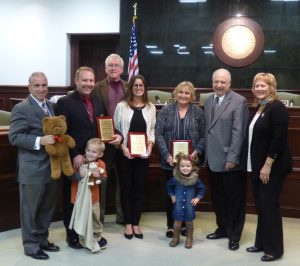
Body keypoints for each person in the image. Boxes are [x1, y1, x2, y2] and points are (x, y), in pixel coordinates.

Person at [55, 66, 122, 249]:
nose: (88, 84)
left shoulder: (97, 99)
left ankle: (89, 233)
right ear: (76, 81)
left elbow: (104, 123)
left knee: (91, 198)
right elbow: (62, 134)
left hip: (94, 158)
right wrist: (75, 154)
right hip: (75, 160)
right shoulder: (64, 102)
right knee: (73, 199)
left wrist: (116, 135)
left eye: (91, 80)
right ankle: (73, 236)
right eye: (84, 80)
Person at [9, 72, 60, 260]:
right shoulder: (22, 108)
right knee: (30, 210)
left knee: (46, 207)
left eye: (44, 85)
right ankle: (30, 246)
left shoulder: (51, 106)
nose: (41, 89)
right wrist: (40, 140)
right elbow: (14, 137)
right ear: (29, 87)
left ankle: (42, 240)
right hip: (32, 168)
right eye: (37, 85)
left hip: (51, 167)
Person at [245, 73, 292, 262]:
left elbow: (278, 140)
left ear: (272, 87)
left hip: (272, 168)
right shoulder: (260, 107)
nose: (259, 89)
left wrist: (267, 164)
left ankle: (274, 249)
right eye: (256, 85)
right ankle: (261, 243)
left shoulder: (277, 108)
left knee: (269, 207)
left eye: (263, 85)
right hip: (257, 166)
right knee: (261, 206)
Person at [204, 68, 248, 251]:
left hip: (230, 162)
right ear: (212, 82)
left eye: (223, 82)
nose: (219, 85)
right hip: (212, 160)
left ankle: (234, 235)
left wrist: (233, 157)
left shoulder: (239, 102)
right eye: (216, 82)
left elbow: (239, 132)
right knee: (218, 199)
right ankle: (222, 228)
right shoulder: (208, 101)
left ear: (229, 83)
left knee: (234, 200)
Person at [155, 81, 205, 238]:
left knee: (189, 194)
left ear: (192, 96)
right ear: (175, 94)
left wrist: (197, 151)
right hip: (169, 162)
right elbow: (158, 134)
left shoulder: (198, 112)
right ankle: (171, 225)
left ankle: (185, 224)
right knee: (172, 194)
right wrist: (166, 155)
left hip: (190, 163)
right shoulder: (166, 110)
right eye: (181, 92)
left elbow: (204, 135)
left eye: (187, 93)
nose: (183, 95)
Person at [114, 74, 156, 239]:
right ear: (130, 87)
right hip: (125, 155)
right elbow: (117, 131)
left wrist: (150, 145)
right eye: (135, 85)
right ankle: (128, 223)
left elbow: (152, 129)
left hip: (143, 156)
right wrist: (123, 148)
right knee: (126, 189)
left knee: (139, 188)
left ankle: (136, 223)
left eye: (141, 85)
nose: (139, 88)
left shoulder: (151, 107)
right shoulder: (121, 106)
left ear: (145, 88)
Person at [92, 53, 128, 224]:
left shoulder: (130, 87)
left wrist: (122, 137)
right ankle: (99, 218)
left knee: (123, 182)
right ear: (105, 68)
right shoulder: (95, 88)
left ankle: (122, 218)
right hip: (102, 144)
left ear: (122, 68)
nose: (113, 68)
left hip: (123, 143)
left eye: (116, 65)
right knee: (101, 181)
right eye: (110, 65)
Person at [69, 138, 107, 252]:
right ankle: (82, 238)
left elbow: (104, 179)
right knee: (82, 218)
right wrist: (79, 174)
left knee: (95, 218)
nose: (90, 153)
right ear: (85, 150)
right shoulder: (78, 162)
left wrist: (98, 176)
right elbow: (70, 176)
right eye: (88, 150)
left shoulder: (101, 164)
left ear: (100, 154)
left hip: (94, 198)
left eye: (94, 152)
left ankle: (97, 236)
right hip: (79, 198)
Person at [167, 153, 205, 249]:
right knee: (177, 222)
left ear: (192, 167)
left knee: (189, 222)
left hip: (189, 206)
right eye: (182, 166)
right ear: (178, 167)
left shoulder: (195, 179)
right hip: (178, 205)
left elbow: (202, 188)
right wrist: (172, 195)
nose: (185, 168)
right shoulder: (175, 178)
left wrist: (197, 198)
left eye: (188, 166)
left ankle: (189, 238)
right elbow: (168, 186)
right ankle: (176, 238)